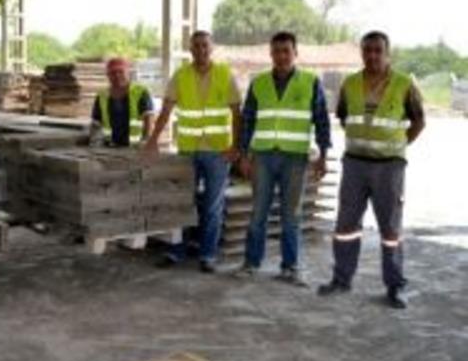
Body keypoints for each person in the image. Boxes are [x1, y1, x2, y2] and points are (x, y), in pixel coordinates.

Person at [317, 31, 425, 309]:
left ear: (388, 53)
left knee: (390, 228)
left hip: (389, 167)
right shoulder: (350, 83)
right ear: (362, 53)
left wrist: (397, 146)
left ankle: (395, 286)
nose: (372, 55)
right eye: (367, 50)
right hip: (354, 164)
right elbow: (344, 116)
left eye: (378, 50)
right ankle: (341, 279)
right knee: (346, 225)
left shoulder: (404, 84)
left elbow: (418, 122)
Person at [234, 31, 331, 285]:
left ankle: (291, 267)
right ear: (271, 54)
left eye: (286, 51)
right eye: (276, 51)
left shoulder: (310, 82)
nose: (281, 56)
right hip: (263, 156)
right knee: (258, 213)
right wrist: (243, 155)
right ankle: (251, 263)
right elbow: (248, 121)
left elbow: (322, 120)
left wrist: (323, 155)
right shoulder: (259, 83)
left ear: (295, 53)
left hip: (295, 157)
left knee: (291, 215)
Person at [144, 31, 242, 273]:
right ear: (190, 49)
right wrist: (153, 140)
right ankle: (176, 251)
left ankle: (207, 256)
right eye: (196, 46)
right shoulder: (181, 76)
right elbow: (166, 111)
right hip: (187, 150)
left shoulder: (225, 74)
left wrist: (236, 146)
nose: (201, 50)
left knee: (212, 206)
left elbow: (236, 114)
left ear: (212, 47)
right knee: (182, 203)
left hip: (217, 152)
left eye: (205, 45)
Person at [89, 57, 155, 147]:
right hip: (110, 146)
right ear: (108, 75)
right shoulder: (102, 96)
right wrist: (95, 142)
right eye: (113, 73)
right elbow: (96, 123)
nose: (117, 76)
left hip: (134, 146)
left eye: (121, 72)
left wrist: (146, 140)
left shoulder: (140, 92)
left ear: (128, 73)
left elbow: (149, 118)